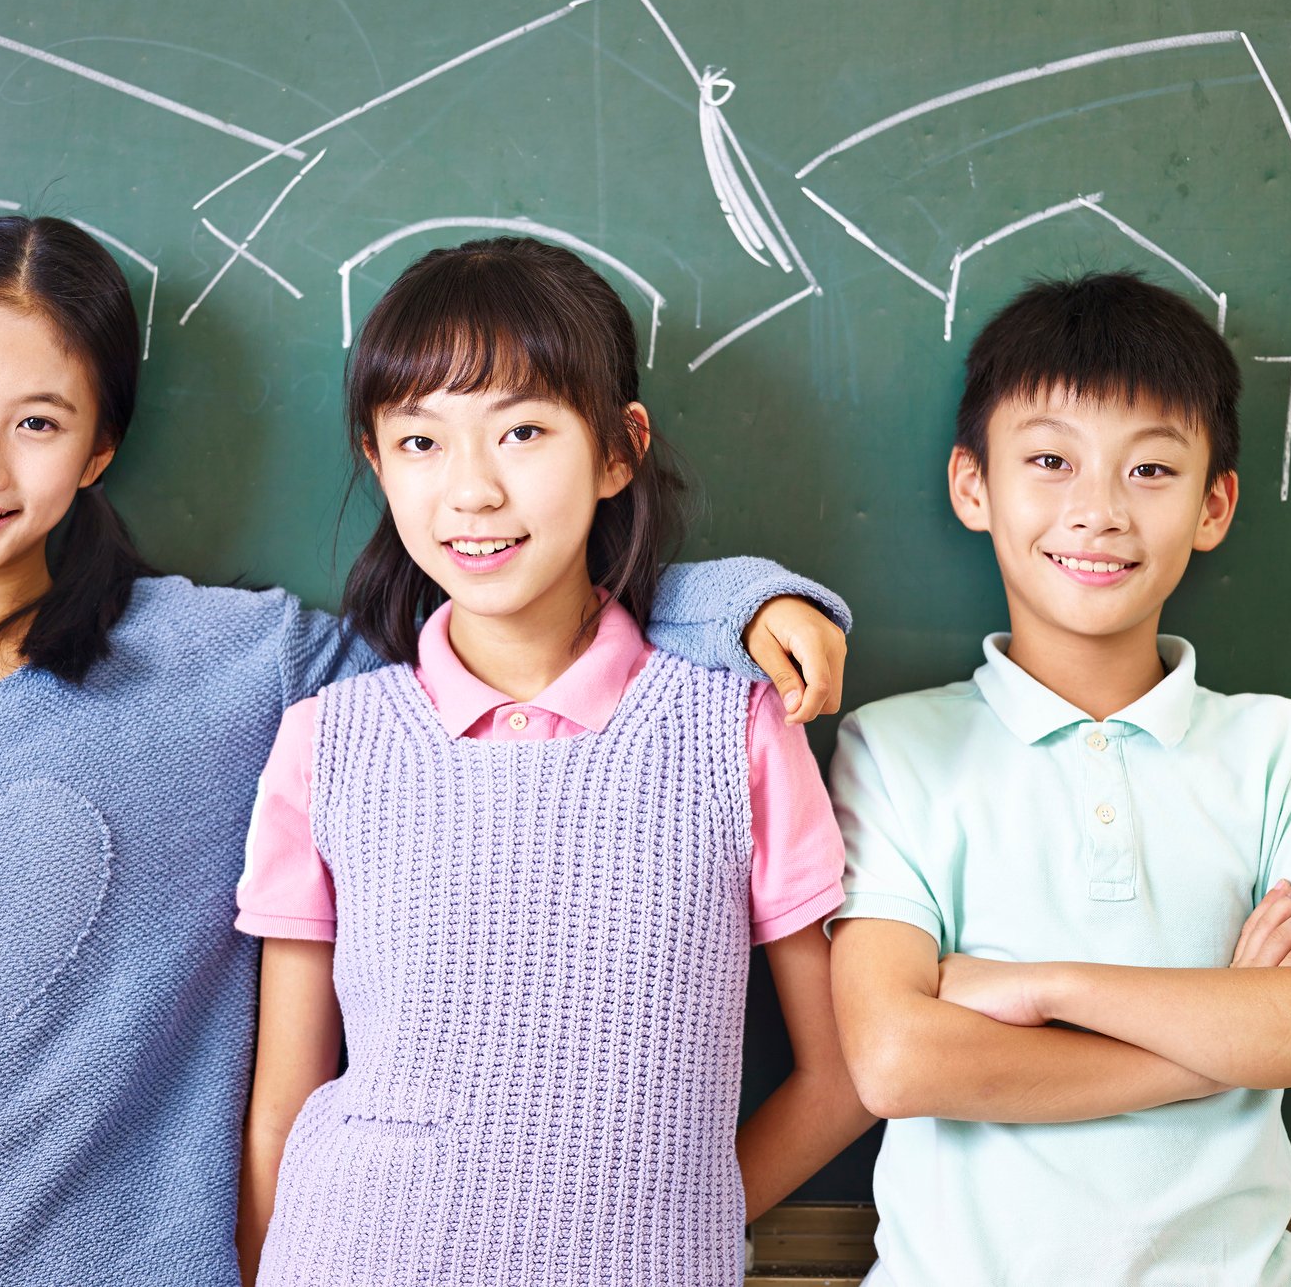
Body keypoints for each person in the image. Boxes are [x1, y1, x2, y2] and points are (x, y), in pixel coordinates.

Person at [0, 216, 855, 1287]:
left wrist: (736, 607)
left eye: (39, 421)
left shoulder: (230, 670)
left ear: (100, 447)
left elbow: (515, 635)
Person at [237, 236, 874, 1287]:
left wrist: (675, 1221)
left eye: (522, 431)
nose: (471, 491)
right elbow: (282, 1101)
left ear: (618, 450)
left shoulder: (733, 729)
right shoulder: (330, 740)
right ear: (376, 461)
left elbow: (842, 1073)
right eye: (420, 443)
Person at [826, 271, 1291, 1286]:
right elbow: (895, 1062)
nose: (1093, 511)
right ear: (973, 485)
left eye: (1148, 472)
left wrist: (1037, 988)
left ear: (1212, 504)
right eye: (1048, 460)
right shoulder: (893, 748)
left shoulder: (1278, 751)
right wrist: (1232, 1025)